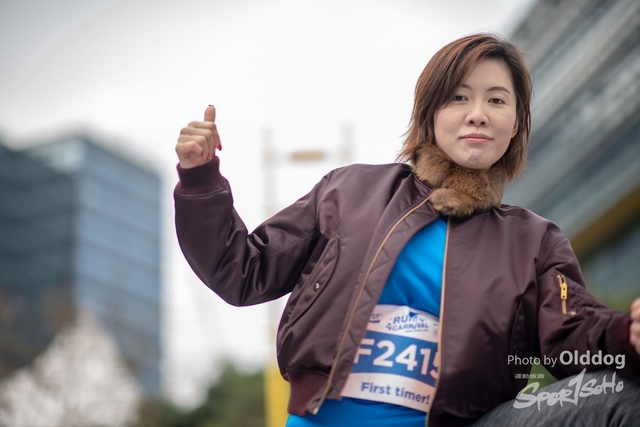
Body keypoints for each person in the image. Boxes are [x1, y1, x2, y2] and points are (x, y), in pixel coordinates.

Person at [174, 34, 640, 426]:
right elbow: (242, 271)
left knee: (623, 396)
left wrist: (627, 336)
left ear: (515, 124)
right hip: (325, 419)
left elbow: (574, 334)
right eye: (459, 97)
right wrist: (200, 179)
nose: (478, 113)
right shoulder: (348, 191)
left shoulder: (534, 241)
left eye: (497, 100)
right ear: (429, 114)